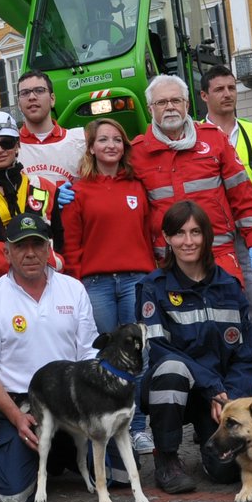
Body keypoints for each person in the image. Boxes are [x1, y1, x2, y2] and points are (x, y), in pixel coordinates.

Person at [0, 213, 101, 502]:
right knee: (10, 494)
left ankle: (61, 452)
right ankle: (10, 452)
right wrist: (16, 418)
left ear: (49, 248)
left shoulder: (73, 289)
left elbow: (89, 353)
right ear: (6, 252)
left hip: (71, 402)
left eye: (37, 245)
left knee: (117, 475)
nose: (30, 253)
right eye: (20, 246)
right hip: (23, 406)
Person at [138, 201, 252, 494]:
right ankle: (166, 459)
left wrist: (229, 398)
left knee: (226, 473)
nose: (188, 241)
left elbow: (249, 353)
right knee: (171, 367)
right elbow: (158, 348)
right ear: (167, 238)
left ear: (207, 236)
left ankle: (210, 451)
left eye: (196, 232)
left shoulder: (228, 286)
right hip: (173, 393)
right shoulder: (153, 287)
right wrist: (211, 386)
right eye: (180, 233)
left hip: (218, 398)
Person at [60, 117, 156, 453]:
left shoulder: (138, 186)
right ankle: (108, 426)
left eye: (117, 139)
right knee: (105, 358)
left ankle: (139, 427)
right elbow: (72, 243)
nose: (111, 145)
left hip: (136, 279)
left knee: (138, 356)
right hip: (96, 283)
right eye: (103, 140)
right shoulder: (76, 190)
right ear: (91, 147)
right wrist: (75, 283)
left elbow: (149, 231)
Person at [130, 74, 252, 286]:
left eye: (176, 100)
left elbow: (242, 193)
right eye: (161, 102)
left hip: (219, 254)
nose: (170, 107)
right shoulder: (137, 153)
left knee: (230, 317)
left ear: (186, 104)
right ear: (150, 109)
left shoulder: (214, 139)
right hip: (169, 262)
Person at [199, 64, 252, 354]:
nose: (228, 94)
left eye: (232, 88)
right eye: (219, 89)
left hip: (251, 239)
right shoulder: (194, 136)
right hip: (214, 241)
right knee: (219, 310)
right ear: (204, 96)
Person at [0, 110, 67, 291]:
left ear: (18, 145)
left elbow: (59, 237)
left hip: (46, 282)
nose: (0, 150)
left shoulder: (45, 187)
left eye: (7, 143)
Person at [14, 70, 86, 187]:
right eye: (25, 93)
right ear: (19, 104)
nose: (32, 97)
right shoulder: (7, 146)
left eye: (39, 90)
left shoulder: (81, 140)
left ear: (52, 99)